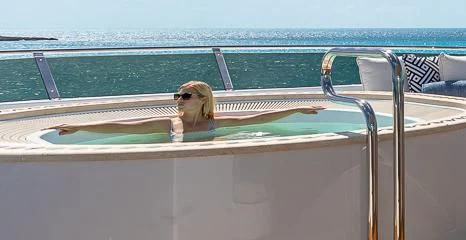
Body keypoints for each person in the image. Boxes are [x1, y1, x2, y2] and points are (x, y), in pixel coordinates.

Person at [54, 81, 322, 137]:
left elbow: (258, 118)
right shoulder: (170, 125)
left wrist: (297, 108)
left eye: (185, 95)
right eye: (177, 95)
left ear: (203, 99)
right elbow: (123, 127)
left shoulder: (215, 123)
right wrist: (80, 126)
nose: (179, 99)